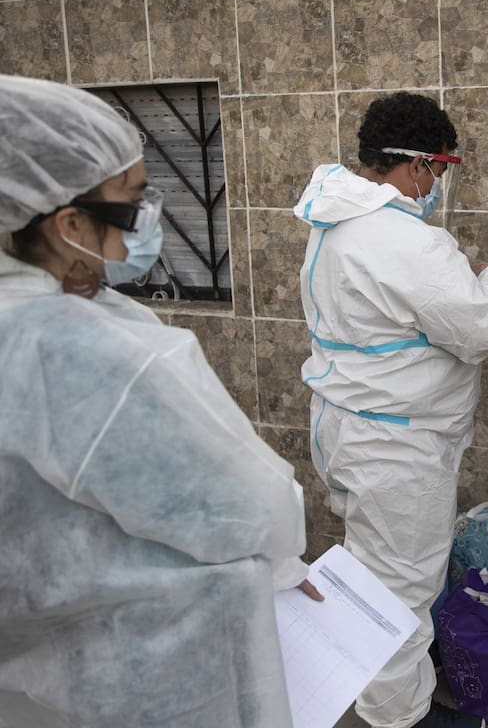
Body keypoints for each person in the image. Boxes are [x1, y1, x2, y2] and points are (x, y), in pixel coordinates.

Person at [0, 75, 317, 727]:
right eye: (133, 200)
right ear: (68, 222)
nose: (147, 222)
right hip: (141, 678)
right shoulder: (80, 353)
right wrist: (283, 556)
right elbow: (250, 509)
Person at [295, 93, 488, 728]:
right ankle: (399, 718)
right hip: (395, 446)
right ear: (418, 165)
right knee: (399, 590)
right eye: (440, 170)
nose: (438, 186)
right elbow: (485, 329)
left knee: (376, 573)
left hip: (348, 426)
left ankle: (391, 693)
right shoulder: (402, 240)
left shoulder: (332, 221)